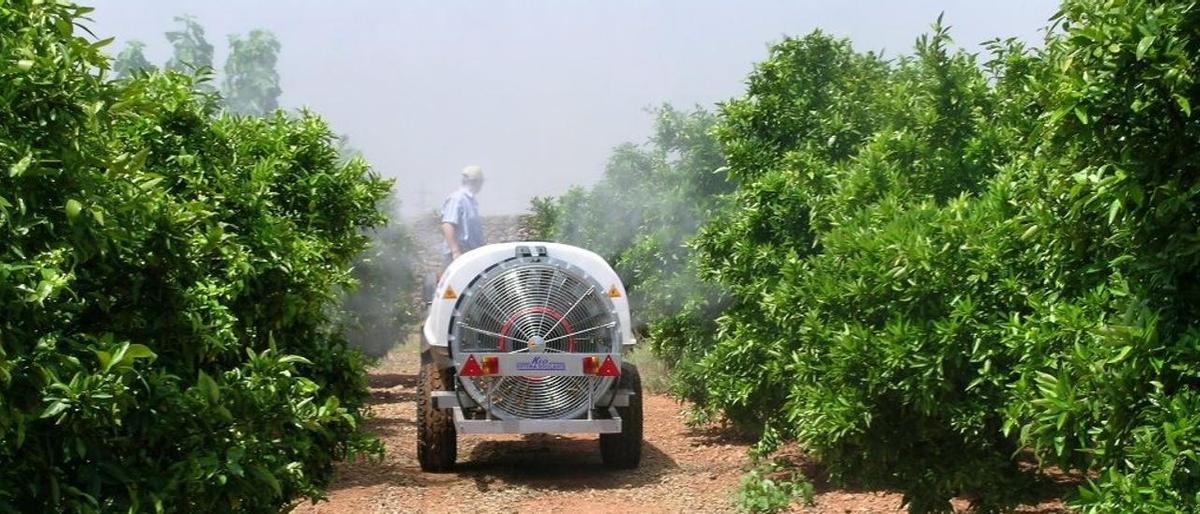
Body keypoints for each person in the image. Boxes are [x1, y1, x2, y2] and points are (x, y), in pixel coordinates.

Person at [440, 165, 485, 268]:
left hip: (469, 254)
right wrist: (456, 251)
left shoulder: (471, 201)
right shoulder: (457, 199)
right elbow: (448, 224)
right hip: (459, 255)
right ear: (476, 182)